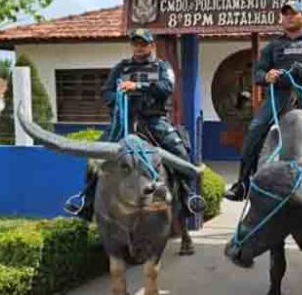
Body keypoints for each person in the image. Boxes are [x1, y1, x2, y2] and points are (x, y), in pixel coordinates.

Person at [64, 28, 205, 220]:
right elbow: (106, 93)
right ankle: (86, 202)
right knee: (94, 159)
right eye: (136, 43)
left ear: (151, 46)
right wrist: (118, 96)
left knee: (180, 153)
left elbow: (167, 88)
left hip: (154, 121)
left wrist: (137, 87)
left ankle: (189, 197)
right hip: (124, 122)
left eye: (143, 43)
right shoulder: (121, 68)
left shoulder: (163, 67)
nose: (139, 47)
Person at [224, 0, 302, 201]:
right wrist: (266, 76)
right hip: (280, 95)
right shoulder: (273, 46)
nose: (288, 17)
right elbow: (258, 74)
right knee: (255, 128)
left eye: (293, 13)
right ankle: (242, 183)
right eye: (285, 14)